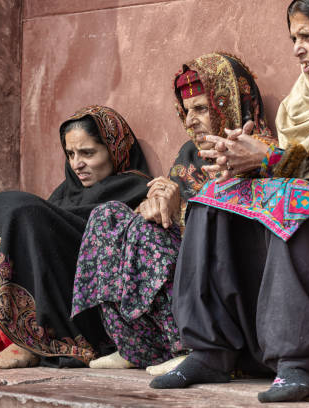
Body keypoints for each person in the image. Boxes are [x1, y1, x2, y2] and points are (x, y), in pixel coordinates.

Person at [150, 0, 309, 403]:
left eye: (307, 36)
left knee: (295, 200)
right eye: (293, 38)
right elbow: (283, 168)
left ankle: (296, 363)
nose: (296, 48)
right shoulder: (296, 105)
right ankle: (210, 350)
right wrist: (243, 162)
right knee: (214, 195)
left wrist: (272, 159)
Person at [71, 52, 274, 373]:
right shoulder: (190, 153)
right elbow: (166, 216)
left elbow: (242, 233)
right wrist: (155, 206)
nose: (190, 119)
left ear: (228, 103)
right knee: (107, 217)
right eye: (186, 110)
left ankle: (191, 346)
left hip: (231, 284)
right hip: (188, 267)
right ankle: (137, 344)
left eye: (201, 109)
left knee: (146, 232)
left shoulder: (255, 150)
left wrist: (179, 210)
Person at [0, 105, 151, 369]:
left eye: (88, 153)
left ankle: (30, 341)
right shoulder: (67, 191)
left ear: (116, 150)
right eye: (70, 154)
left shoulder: (136, 188)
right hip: (55, 268)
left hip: (86, 288)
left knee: (25, 214)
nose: (77, 164)